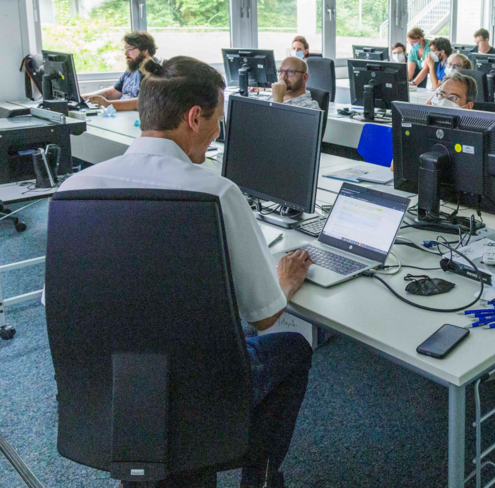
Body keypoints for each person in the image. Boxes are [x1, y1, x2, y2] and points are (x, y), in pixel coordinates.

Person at [59, 57, 313, 488]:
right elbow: (264, 315)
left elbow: (63, 307)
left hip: (111, 391)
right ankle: (262, 478)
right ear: (195, 118)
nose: (218, 134)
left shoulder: (72, 192)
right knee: (290, 348)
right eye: (218, 121)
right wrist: (284, 284)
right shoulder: (214, 192)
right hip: (201, 393)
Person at [83, 31, 158, 111]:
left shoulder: (155, 72)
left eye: (129, 49)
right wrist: (83, 98)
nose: (126, 54)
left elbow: (144, 102)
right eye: (125, 50)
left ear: (145, 51)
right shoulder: (133, 69)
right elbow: (112, 93)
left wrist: (108, 104)